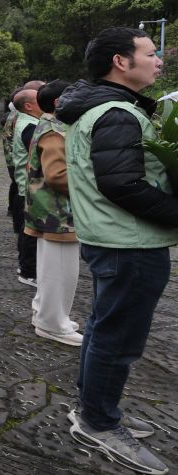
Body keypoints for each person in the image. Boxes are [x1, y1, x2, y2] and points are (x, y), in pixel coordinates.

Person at [57, 27, 177, 475]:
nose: (159, 60)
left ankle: (93, 408)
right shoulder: (117, 113)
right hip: (130, 242)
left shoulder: (101, 108)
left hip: (113, 239)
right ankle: (99, 422)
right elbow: (123, 183)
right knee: (118, 337)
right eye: (151, 53)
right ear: (120, 62)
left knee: (103, 327)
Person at [23, 80, 82, 346]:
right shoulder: (54, 130)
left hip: (51, 211)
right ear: (59, 102)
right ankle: (52, 324)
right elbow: (58, 175)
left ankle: (47, 315)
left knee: (52, 270)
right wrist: (92, 187)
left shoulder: (50, 125)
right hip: (57, 213)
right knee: (60, 272)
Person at [11, 86, 44, 287]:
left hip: (25, 185)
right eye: (39, 99)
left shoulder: (26, 121)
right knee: (31, 231)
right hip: (29, 187)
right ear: (29, 106)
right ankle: (28, 271)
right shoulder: (30, 126)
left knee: (27, 229)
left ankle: (25, 266)